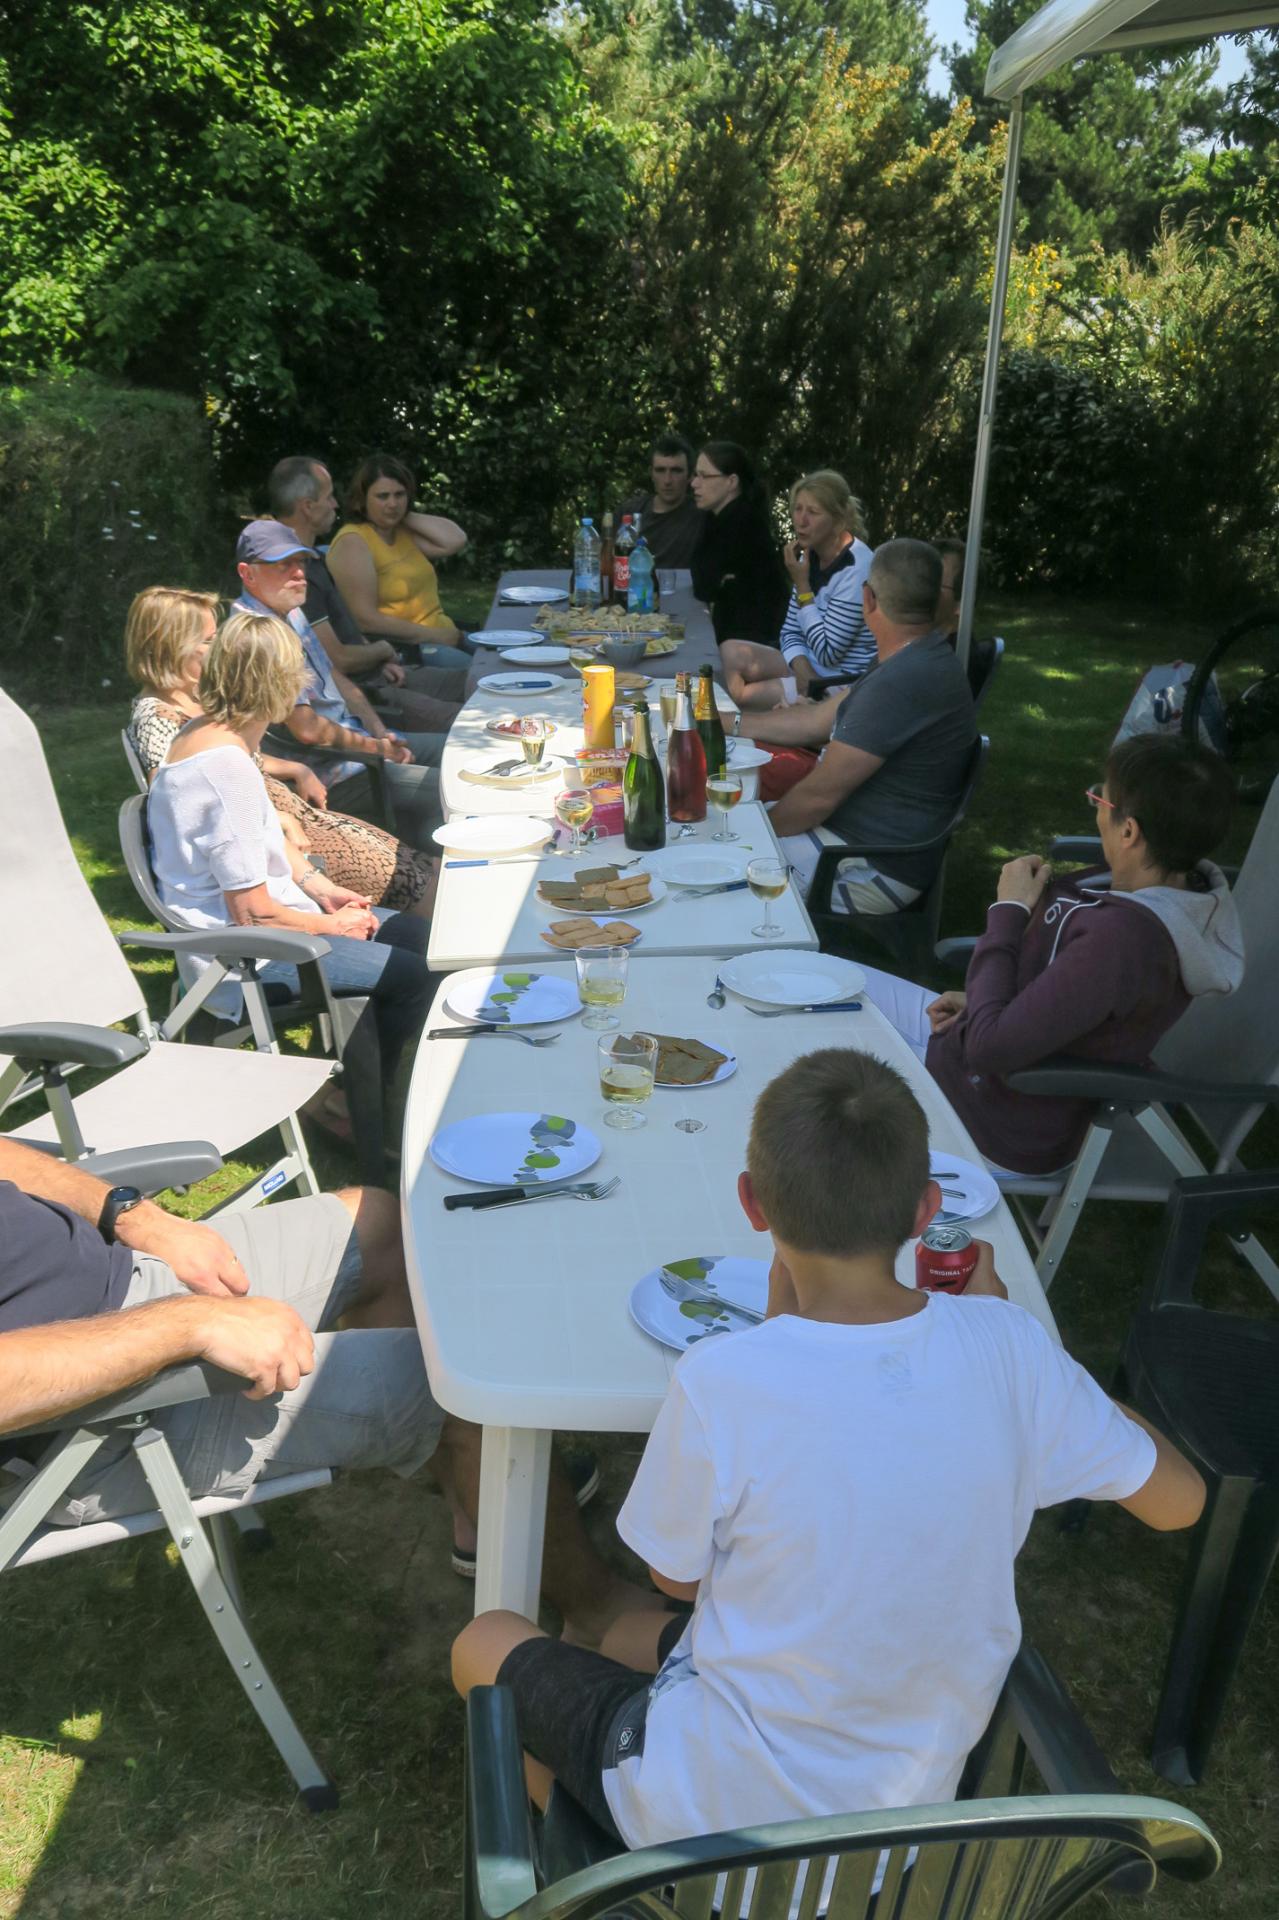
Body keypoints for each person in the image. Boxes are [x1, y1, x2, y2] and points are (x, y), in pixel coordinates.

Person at [452, 1049, 1204, 1847]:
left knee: (483, 1642)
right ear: (924, 1211)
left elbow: (675, 1575)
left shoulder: (720, 1378)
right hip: (894, 1830)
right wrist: (1033, 1352)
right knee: (625, 1636)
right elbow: (1179, 1502)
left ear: (752, 1204)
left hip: (712, 1818)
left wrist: (777, 1346)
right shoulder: (1009, 1347)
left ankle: (609, 1859)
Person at [0, 1137, 653, 1645]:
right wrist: (185, 1324)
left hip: (124, 1275)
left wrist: (134, 1216)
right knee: (477, 1380)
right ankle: (592, 1611)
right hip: (87, 1414)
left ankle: (477, 1512)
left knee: (380, 1224)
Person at [854, 732, 1244, 1177]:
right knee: (820, 982)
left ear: (1130, 831)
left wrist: (1010, 910)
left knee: (810, 1044)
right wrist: (990, 999)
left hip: (986, 1117)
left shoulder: (1123, 941)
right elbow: (1069, 1002)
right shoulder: (1157, 888)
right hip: (967, 1054)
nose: (1097, 807)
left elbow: (989, 1048)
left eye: (1102, 800)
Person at [145, 608, 432, 1135]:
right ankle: (353, 1110)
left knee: (427, 941)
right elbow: (250, 912)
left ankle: (363, 1086)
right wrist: (330, 927)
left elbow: (265, 843)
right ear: (275, 684)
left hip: (274, 920)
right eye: (298, 677)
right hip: (243, 957)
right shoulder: (223, 768)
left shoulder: (215, 736)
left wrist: (321, 889)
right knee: (410, 975)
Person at [125, 586, 438, 919]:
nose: (217, 650)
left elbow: (236, 765)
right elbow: (180, 803)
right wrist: (275, 819)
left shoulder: (198, 704)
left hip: (284, 821)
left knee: (419, 863)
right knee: (414, 879)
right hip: (264, 840)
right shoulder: (157, 717)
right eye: (208, 641)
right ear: (167, 648)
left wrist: (295, 769)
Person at [769, 539, 976, 914]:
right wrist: (727, 723)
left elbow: (817, 798)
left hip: (870, 866)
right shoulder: (918, 655)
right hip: (866, 843)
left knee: (730, 868)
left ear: (868, 599)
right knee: (731, 825)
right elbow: (818, 719)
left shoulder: (903, 678)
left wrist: (760, 834)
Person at [234, 519, 444, 849]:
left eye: (300, 562)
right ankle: (421, 877)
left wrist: (378, 731)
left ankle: (417, 862)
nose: (299, 573)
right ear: (247, 573)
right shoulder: (259, 636)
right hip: (334, 772)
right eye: (282, 565)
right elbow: (307, 729)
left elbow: (334, 676)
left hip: (360, 745)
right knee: (451, 791)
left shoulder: (290, 610)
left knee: (456, 750)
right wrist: (378, 750)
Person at [266, 455, 468, 720]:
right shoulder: (297, 573)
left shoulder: (314, 561)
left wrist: (380, 659)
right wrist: (382, 651)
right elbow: (340, 657)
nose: (335, 504)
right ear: (307, 507)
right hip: (371, 691)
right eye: (329, 497)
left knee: (484, 682)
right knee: (472, 719)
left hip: (383, 672)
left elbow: (347, 630)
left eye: (400, 495)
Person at [720, 470, 874, 712]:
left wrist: (803, 587)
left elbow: (828, 653)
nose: (800, 521)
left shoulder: (856, 568)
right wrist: (804, 672)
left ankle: (788, 727)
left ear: (839, 520)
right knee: (729, 652)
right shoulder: (811, 555)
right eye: (798, 509)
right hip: (811, 667)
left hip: (839, 680)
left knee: (740, 697)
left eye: (812, 512)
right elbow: (790, 631)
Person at [326, 454, 472, 668]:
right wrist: (435, 636)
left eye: (399, 495)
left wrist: (402, 515)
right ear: (362, 499)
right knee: (483, 676)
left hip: (445, 635)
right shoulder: (353, 541)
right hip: (410, 648)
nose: (392, 503)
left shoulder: (403, 532)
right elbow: (365, 619)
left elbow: (455, 539)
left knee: (512, 655)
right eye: (382, 496)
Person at [688, 441, 789, 649]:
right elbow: (704, 583)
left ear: (731, 482)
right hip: (736, 638)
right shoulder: (715, 518)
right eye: (695, 475)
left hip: (755, 644)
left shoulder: (745, 525)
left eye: (704, 476)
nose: (694, 483)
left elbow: (707, 586)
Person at [616, 433, 706, 568]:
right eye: (660, 470)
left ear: (690, 476)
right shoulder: (628, 512)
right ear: (651, 473)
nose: (667, 480)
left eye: (676, 471)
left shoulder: (702, 516)